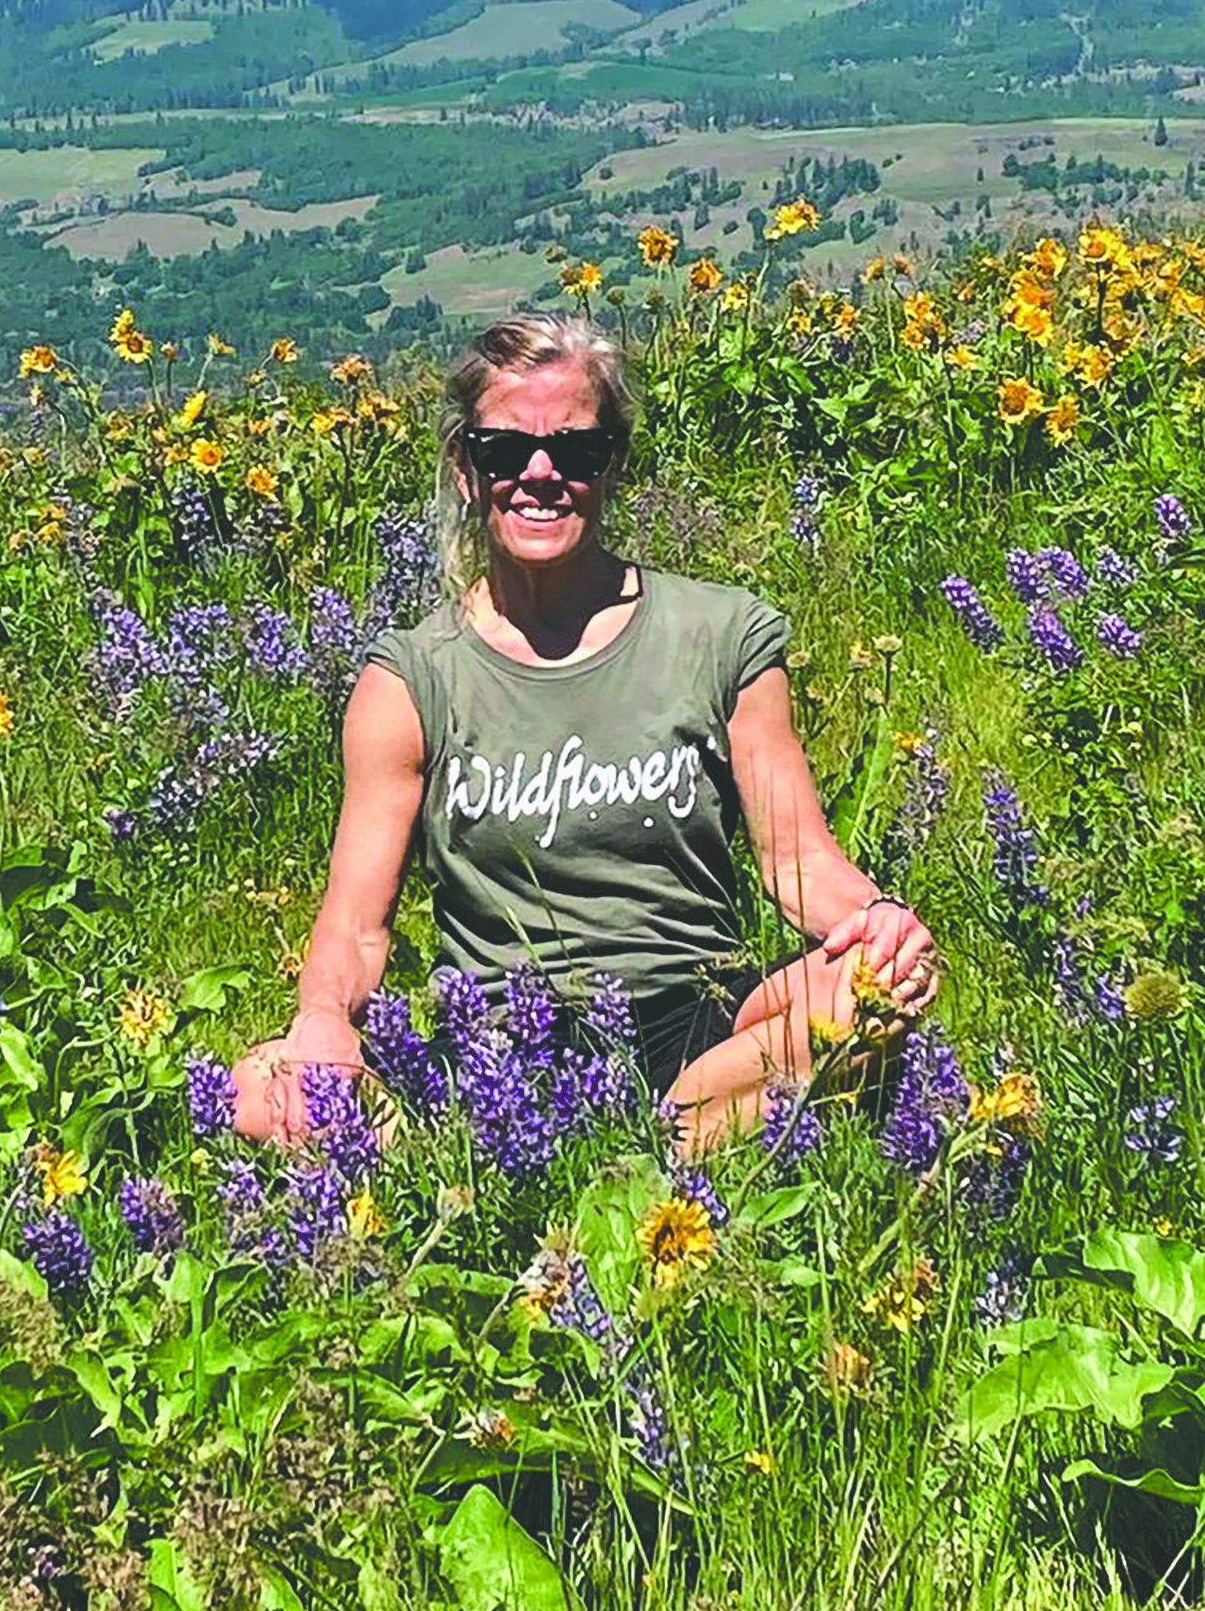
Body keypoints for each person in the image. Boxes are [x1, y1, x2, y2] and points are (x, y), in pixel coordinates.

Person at [231, 310, 939, 1150]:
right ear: (466, 469)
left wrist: (880, 921)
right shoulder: (411, 677)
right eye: (504, 451)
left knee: (871, 991)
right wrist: (321, 1022)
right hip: (498, 1039)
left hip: (701, 1015)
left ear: (612, 469)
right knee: (257, 1088)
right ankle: (681, 1144)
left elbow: (799, 861)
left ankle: (597, 1152)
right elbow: (356, 928)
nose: (539, 475)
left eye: (574, 452)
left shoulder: (723, 636)